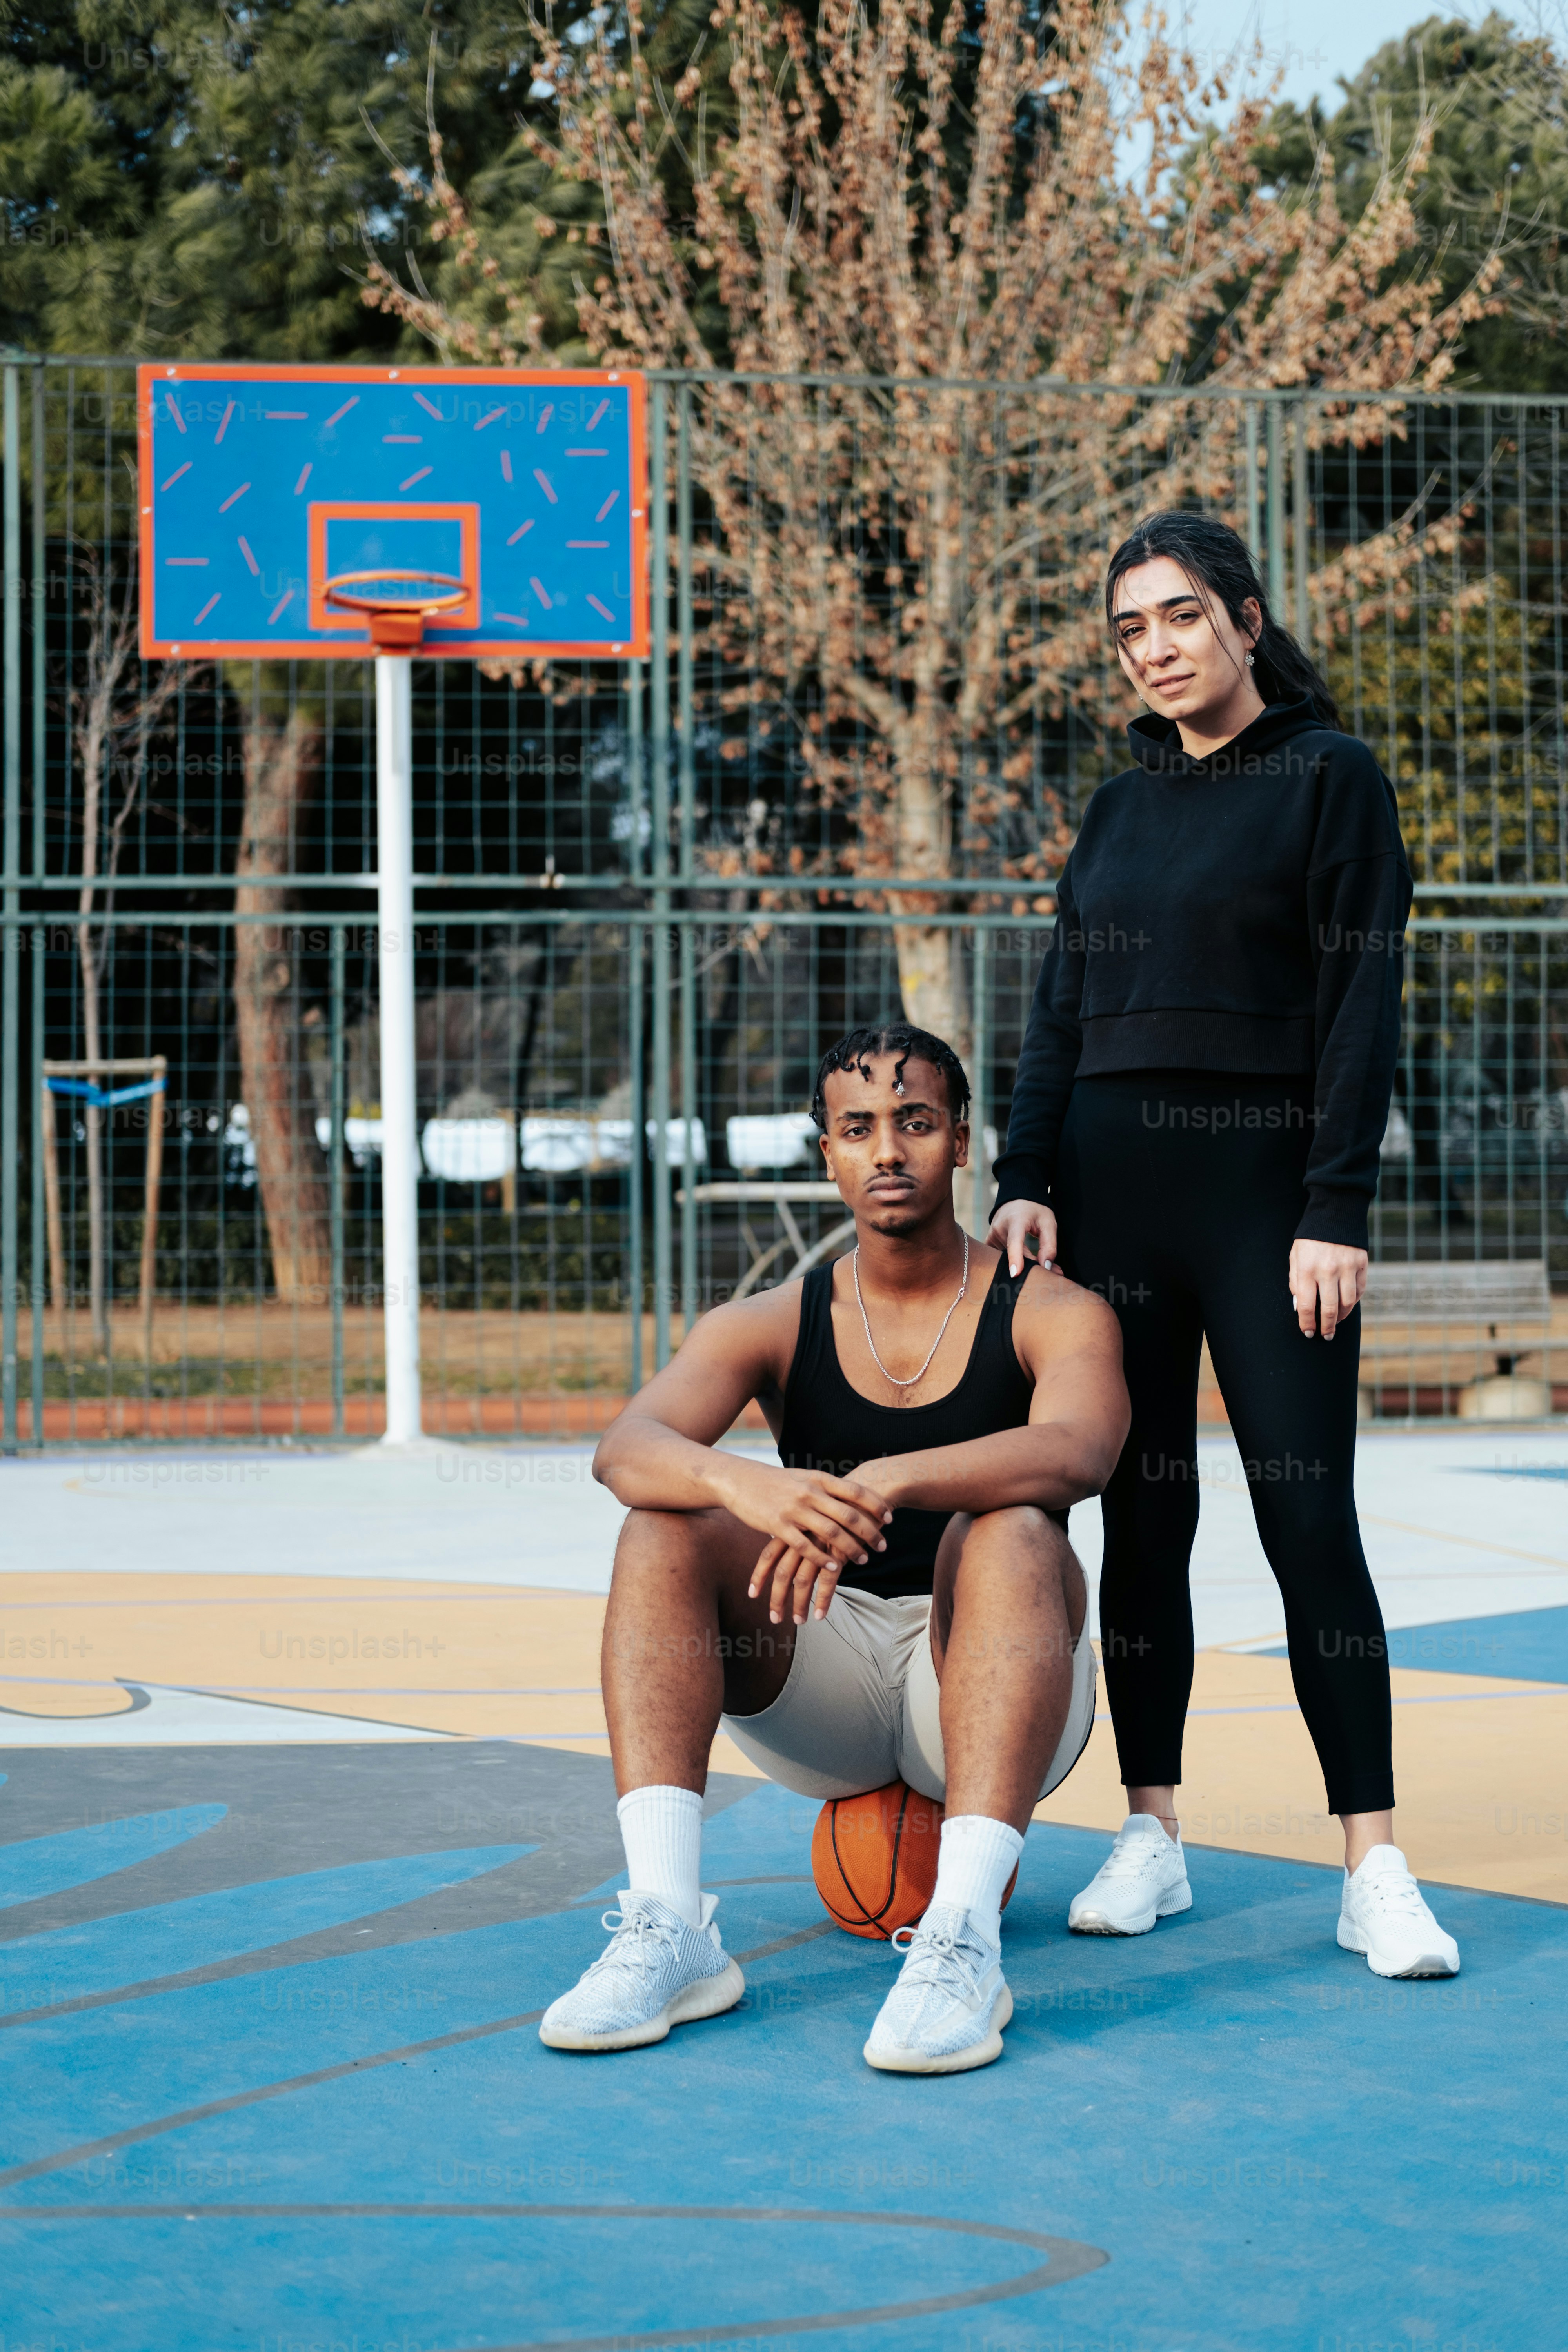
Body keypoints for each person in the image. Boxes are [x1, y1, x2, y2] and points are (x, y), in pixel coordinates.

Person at [987, 509, 1460, 1981]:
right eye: (1131, 630)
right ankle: (1154, 1834)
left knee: (1309, 1521)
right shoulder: (1119, 810)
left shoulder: (1333, 780)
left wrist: (1335, 1208)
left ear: (1246, 622)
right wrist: (1023, 1173)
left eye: (1181, 617)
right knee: (1147, 1521)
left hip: (1268, 1207)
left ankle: (1372, 1862)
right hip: (1115, 1207)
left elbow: (1362, 1010)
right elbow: (1060, 1007)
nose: (1157, 650)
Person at [540, 1022, 1130, 2073]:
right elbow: (626, 1447)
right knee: (661, 1528)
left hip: (996, 1679)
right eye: (858, 1129)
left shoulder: (1052, 1309)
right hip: (832, 1678)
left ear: (963, 1142)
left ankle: (963, 1942)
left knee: (1013, 1529)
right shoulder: (770, 1319)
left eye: (914, 1123)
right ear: (827, 1155)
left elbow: (1081, 1450)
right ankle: (672, 1929)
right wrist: (742, 1482)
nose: (889, 1152)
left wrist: (899, 1475)